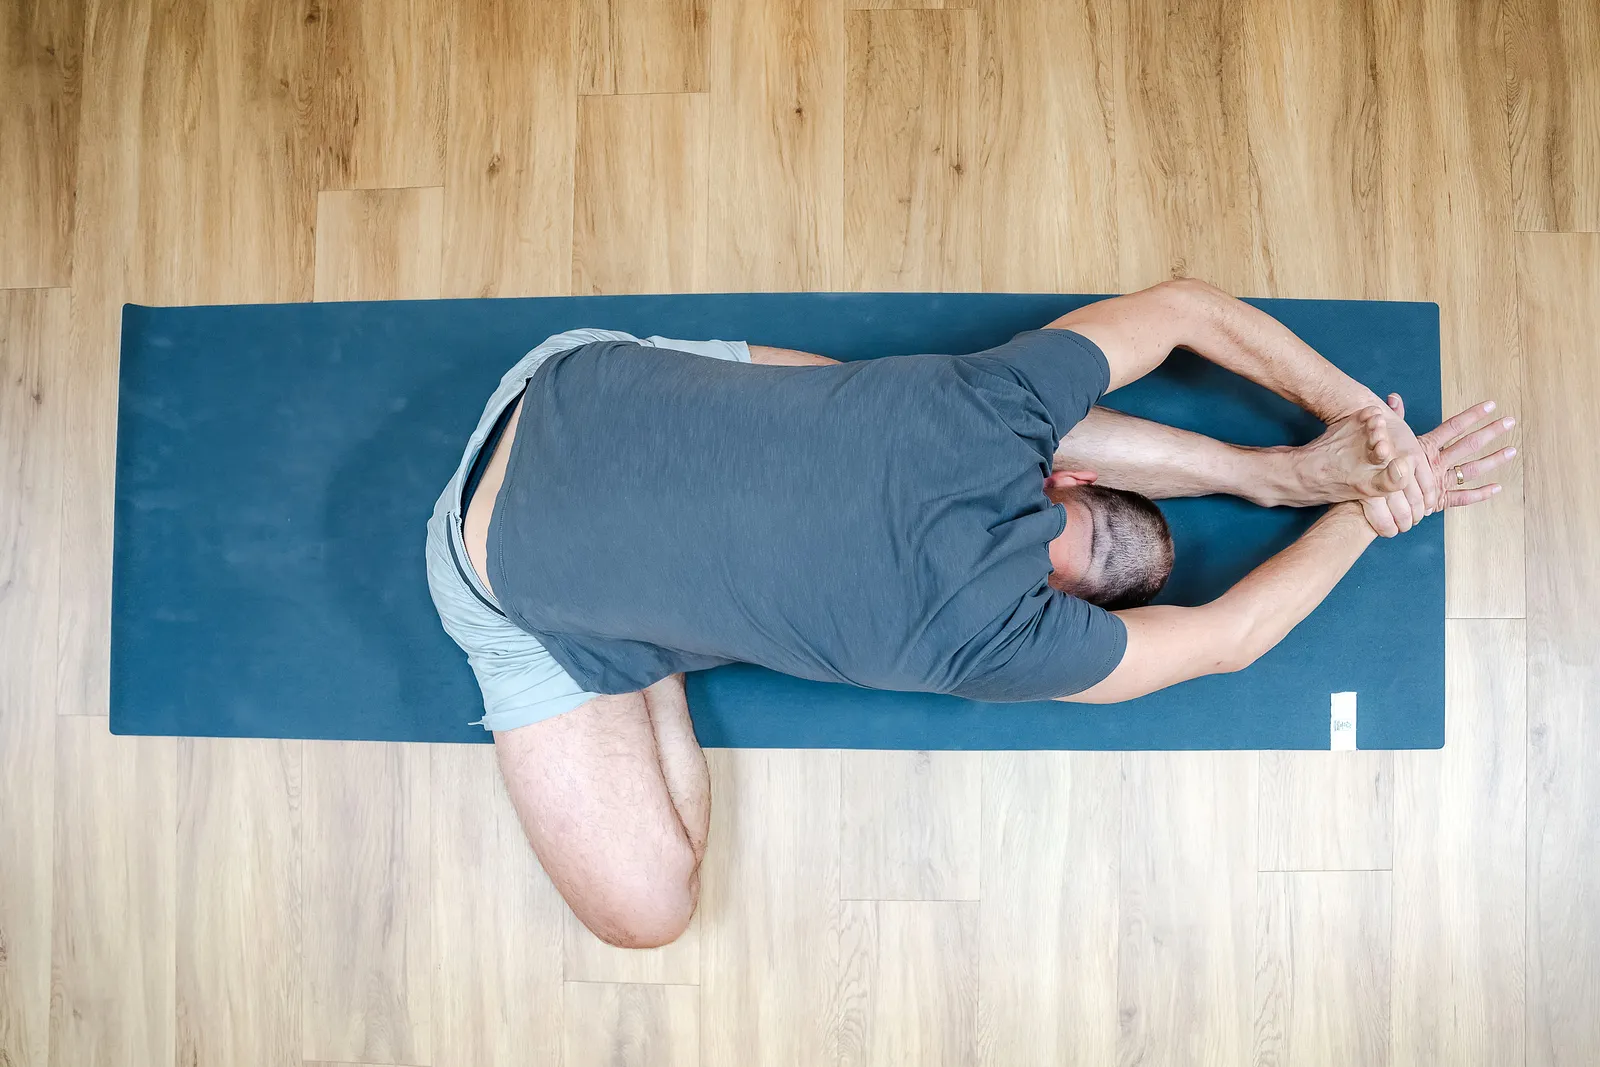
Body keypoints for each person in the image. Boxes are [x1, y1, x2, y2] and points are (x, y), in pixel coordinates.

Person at [424, 279, 1516, 949]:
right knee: (650, 909)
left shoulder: (996, 401)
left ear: (1062, 483)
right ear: (1067, 597)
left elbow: (1187, 307)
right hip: (486, 574)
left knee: (872, 388)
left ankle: (1269, 474)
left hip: (571, 378)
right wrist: (1372, 511)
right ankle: (630, 642)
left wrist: (1355, 428)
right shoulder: (1001, 643)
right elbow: (1228, 638)